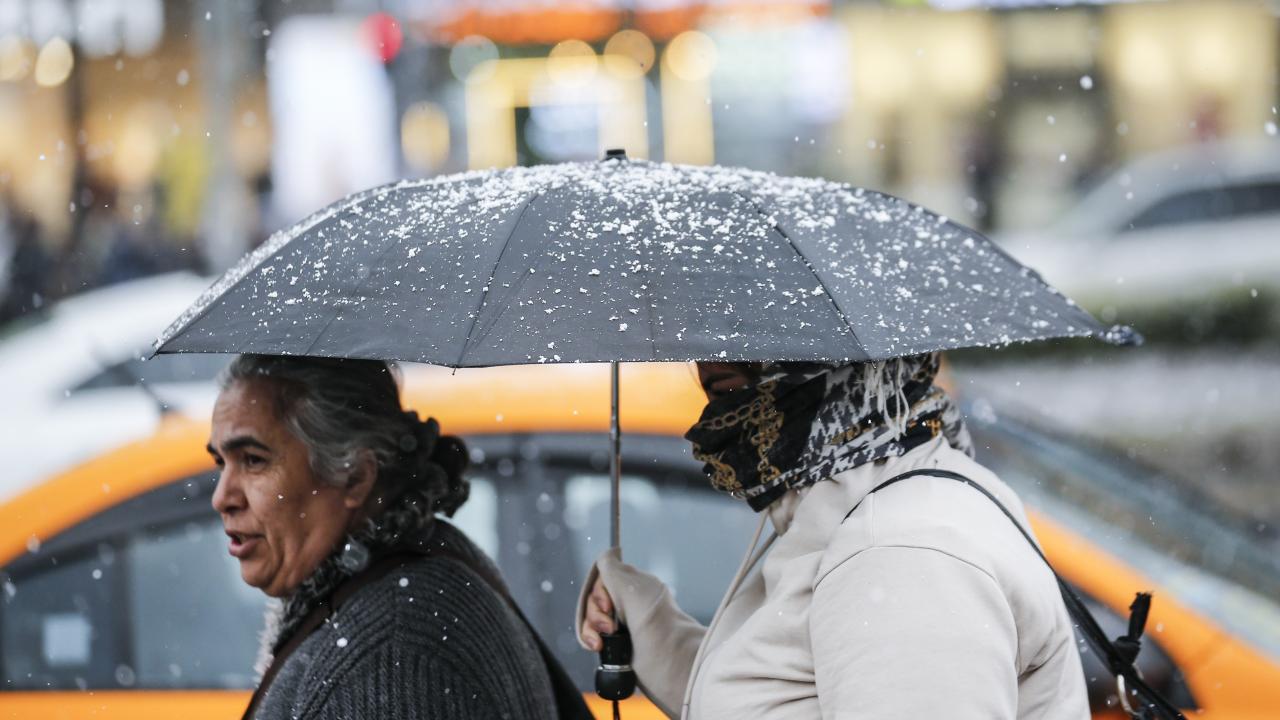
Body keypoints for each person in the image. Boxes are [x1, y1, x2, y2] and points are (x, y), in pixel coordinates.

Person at [577, 355, 1089, 719]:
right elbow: (784, 696)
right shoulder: (865, 506)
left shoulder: (898, 554)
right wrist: (646, 622)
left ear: (837, 363)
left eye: (745, 343)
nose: (705, 360)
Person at [209, 354, 587, 720]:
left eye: (254, 460)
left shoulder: (392, 653)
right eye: (221, 463)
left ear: (355, 476)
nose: (222, 498)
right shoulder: (415, 580)